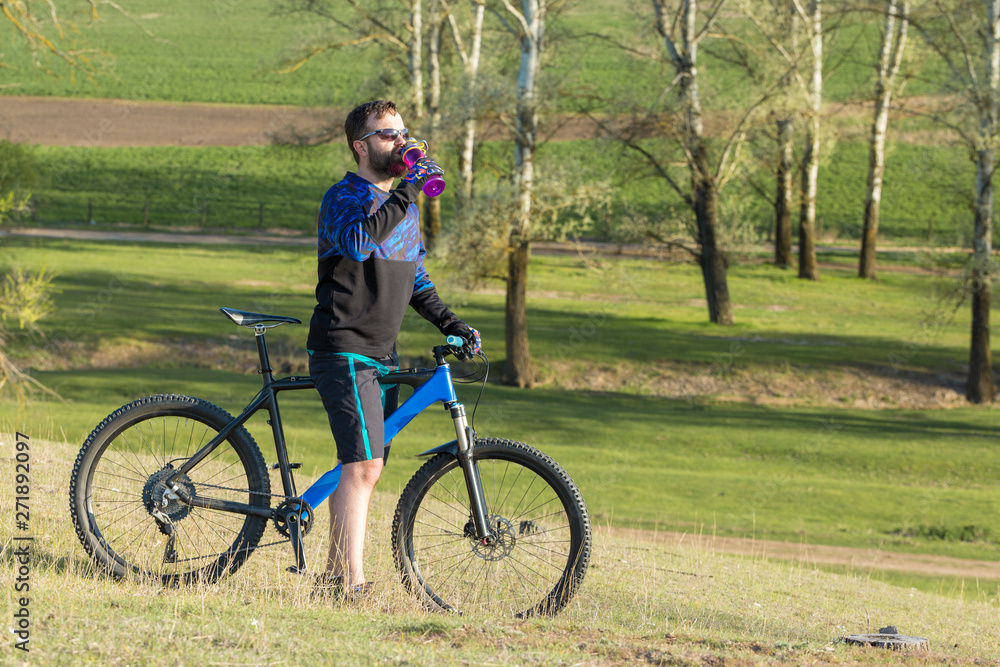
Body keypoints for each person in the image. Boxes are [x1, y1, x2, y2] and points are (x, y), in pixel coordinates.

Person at [306, 99, 480, 596]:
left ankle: (335, 576)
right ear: (361, 146)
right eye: (388, 135)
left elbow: (415, 278)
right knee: (363, 465)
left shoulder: (404, 209)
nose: (401, 142)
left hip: (383, 353)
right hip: (343, 348)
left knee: (365, 467)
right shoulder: (344, 197)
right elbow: (359, 243)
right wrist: (405, 192)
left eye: (404, 133)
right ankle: (350, 582)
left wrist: (452, 322)